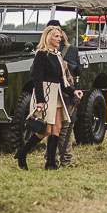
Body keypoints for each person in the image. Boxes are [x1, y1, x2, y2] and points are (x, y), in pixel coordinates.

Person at [14, 26, 83, 170]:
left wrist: (73, 92)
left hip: (56, 94)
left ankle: (50, 163)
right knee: (45, 129)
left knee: (57, 128)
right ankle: (22, 153)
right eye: (56, 36)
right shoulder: (42, 54)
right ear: (48, 37)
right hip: (45, 94)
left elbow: (62, 81)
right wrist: (40, 100)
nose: (60, 39)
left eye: (60, 36)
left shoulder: (57, 55)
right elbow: (37, 78)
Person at [54, 28, 80, 168]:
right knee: (65, 129)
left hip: (56, 94)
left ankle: (52, 159)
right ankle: (65, 160)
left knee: (54, 129)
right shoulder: (72, 50)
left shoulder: (43, 52)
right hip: (65, 94)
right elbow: (78, 70)